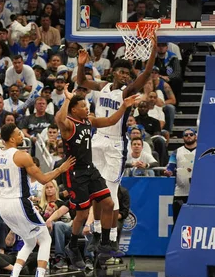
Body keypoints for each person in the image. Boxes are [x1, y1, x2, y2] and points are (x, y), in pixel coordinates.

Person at [76, 37, 156, 255]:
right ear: (113, 72)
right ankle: (96, 235)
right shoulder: (102, 86)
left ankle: (110, 239)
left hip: (115, 145)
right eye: (121, 72)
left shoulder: (127, 92)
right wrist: (81, 64)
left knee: (109, 195)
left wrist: (153, 50)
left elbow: (145, 75)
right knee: (96, 193)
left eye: (127, 74)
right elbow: (81, 81)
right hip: (97, 139)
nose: (125, 76)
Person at [50, 86, 139, 264]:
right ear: (74, 109)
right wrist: (67, 99)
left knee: (109, 202)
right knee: (82, 214)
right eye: (83, 106)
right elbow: (58, 119)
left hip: (90, 169)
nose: (87, 109)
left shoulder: (88, 121)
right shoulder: (68, 125)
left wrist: (124, 106)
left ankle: (105, 243)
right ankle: (72, 246)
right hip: (76, 174)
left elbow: (110, 121)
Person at [0, 124, 74, 277]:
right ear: (12, 138)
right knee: (45, 239)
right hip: (19, 202)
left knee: (29, 241)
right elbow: (43, 179)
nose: (22, 134)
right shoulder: (22, 156)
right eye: (18, 133)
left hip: (3, 204)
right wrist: (61, 169)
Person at [164, 128, 197, 223]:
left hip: (197, 193)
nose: (189, 136)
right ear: (183, 138)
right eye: (186, 135)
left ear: (195, 136)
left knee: (196, 221)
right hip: (180, 192)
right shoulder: (177, 152)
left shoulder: (201, 151)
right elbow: (171, 166)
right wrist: (168, 172)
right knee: (178, 222)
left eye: (191, 134)